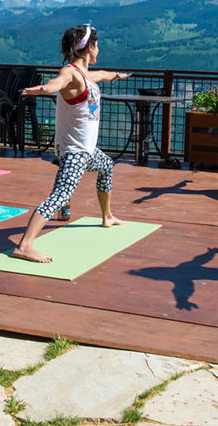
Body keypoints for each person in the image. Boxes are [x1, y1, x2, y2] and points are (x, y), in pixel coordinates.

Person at [13, 23, 130, 263]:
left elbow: (102, 75)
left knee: (107, 165)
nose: (99, 50)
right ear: (90, 47)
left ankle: (107, 216)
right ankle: (24, 246)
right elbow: (55, 84)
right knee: (60, 194)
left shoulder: (86, 75)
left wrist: (118, 76)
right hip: (75, 152)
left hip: (88, 151)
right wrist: (41, 90)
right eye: (97, 46)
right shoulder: (70, 73)